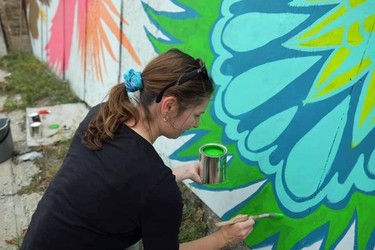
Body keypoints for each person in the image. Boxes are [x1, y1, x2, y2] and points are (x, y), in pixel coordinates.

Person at [20, 48, 255, 250]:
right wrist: (225, 236)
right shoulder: (157, 186)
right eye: (196, 114)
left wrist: (180, 172)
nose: (197, 124)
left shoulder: (102, 114)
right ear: (169, 106)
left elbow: (123, 184)